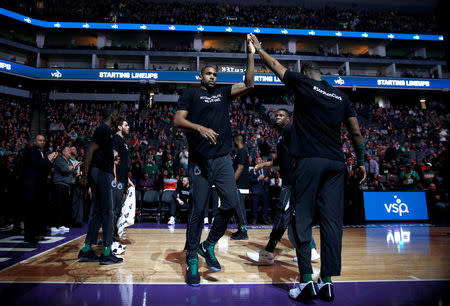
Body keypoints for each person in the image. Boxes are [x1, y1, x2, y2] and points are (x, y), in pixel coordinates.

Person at [249, 34, 366, 302]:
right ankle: (326, 281)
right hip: (337, 164)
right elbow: (356, 135)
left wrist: (259, 49)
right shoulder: (340, 96)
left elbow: (278, 68)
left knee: (301, 219)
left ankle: (304, 281)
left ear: (305, 74)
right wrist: (360, 163)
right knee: (332, 222)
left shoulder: (304, 84)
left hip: (309, 162)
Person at [174, 34, 255, 286]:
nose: (212, 77)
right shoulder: (190, 94)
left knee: (231, 203)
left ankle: (207, 245)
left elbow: (250, 83)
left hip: (221, 159)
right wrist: (199, 128)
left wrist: (250, 53)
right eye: (208, 74)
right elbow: (178, 121)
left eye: (214, 74)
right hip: (199, 160)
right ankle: (191, 258)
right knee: (197, 210)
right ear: (200, 77)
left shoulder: (223, 94)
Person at [246, 109, 320, 265]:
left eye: (281, 115)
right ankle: (311, 250)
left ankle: (268, 253)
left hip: (293, 182)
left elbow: (302, 151)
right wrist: (264, 165)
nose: (278, 117)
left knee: (282, 215)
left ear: (288, 118)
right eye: (277, 115)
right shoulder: (282, 135)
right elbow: (280, 161)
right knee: (294, 219)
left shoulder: (289, 130)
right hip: (294, 181)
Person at [78, 107, 123, 265]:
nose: (118, 117)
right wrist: (84, 175)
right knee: (108, 212)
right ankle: (106, 252)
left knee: (97, 212)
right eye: (116, 114)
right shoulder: (103, 129)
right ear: (111, 115)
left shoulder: (106, 131)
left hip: (99, 172)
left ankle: (86, 250)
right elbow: (89, 150)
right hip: (102, 174)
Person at [23, 135, 58, 243]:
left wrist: (50, 161)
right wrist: (48, 158)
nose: (42, 142)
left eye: (43, 140)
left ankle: (36, 232)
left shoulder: (40, 152)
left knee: (37, 210)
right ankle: (29, 236)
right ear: (35, 141)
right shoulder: (31, 150)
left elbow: (43, 168)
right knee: (31, 211)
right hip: (32, 186)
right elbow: (36, 164)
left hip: (38, 186)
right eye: (40, 140)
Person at [111, 118, 131, 253]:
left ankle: (113, 234)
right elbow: (114, 159)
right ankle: (110, 237)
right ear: (119, 127)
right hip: (117, 179)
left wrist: (127, 179)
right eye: (126, 125)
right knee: (114, 208)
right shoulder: (116, 139)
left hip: (123, 179)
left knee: (118, 208)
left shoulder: (124, 141)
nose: (128, 127)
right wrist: (114, 176)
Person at [52, 147, 81, 233]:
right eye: (68, 150)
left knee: (64, 206)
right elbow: (65, 170)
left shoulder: (67, 162)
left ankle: (61, 225)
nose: (70, 151)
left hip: (65, 185)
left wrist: (75, 170)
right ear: (63, 152)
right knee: (59, 205)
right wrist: (74, 165)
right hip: (59, 185)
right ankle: (56, 225)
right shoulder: (59, 160)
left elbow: (70, 173)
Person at [230, 135, 250, 240]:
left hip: (240, 185)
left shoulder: (242, 151)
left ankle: (243, 232)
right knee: (237, 209)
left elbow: (240, 168)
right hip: (239, 185)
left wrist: (231, 183)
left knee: (240, 209)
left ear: (237, 140)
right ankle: (240, 229)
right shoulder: (240, 151)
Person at [250, 157, 270, 224]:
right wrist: (258, 179)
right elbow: (250, 180)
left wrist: (267, 180)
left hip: (264, 191)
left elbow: (269, 179)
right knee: (254, 207)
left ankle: (265, 219)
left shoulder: (266, 170)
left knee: (265, 207)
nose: (261, 160)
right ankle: (254, 220)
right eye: (259, 160)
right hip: (256, 191)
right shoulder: (252, 170)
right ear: (256, 162)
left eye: (261, 159)